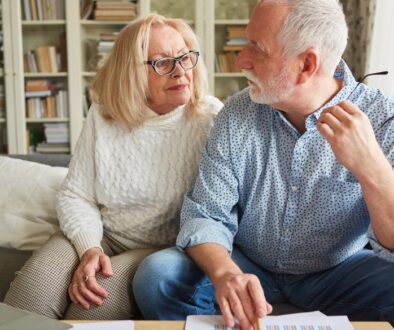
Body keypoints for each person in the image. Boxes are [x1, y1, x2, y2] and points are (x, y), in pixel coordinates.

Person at [133, 1, 394, 329]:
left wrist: (372, 168)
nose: (241, 60)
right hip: (249, 264)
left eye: (257, 48)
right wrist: (226, 274)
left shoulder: (384, 119)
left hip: (340, 272)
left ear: (307, 64)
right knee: (157, 277)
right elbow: (207, 214)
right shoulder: (236, 113)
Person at [4, 14, 223, 320]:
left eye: (185, 57)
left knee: (90, 306)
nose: (180, 71)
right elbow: (77, 195)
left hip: (161, 249)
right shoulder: (104, 114)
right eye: (161, 62)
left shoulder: (211, 118)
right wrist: (89, 249)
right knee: (30, 295)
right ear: (131, 72)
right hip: (103, 234)